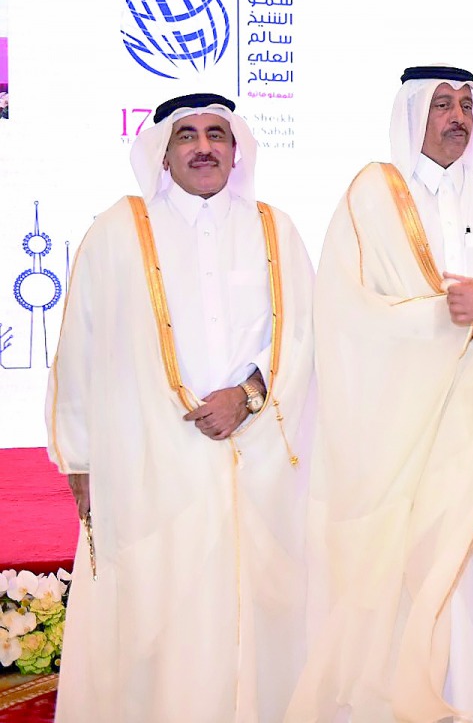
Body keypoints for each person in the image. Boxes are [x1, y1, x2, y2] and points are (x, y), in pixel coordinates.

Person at [286, 66, 473, 722]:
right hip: (405, 431)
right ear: (411, 112)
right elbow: (343, 310)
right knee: (411, 579)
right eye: (442, 103)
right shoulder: (372, 194)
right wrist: (440, 317)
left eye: (466, 104)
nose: (456, 116)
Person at [47, 92, 316, 723]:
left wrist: (248, 397)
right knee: (155, 617)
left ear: (235, 148)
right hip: (147, 472)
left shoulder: (274, 228)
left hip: (257, 465)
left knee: (254, 619)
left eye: (216, 134)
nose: (204, 147)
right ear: (163, 154)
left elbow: (304, 335)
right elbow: (80, 347)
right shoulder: (118, 230)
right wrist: (82, 460)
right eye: (187, 136)